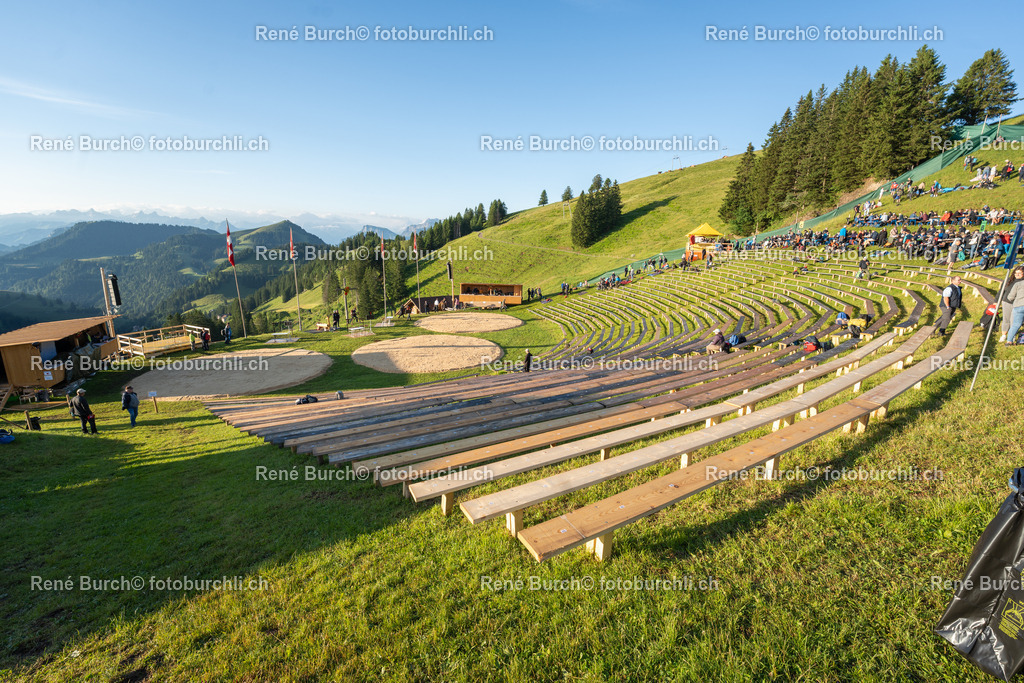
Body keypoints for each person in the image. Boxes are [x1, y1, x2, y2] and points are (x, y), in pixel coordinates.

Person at [1000, 267, 1024, 342]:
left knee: (1013, 321)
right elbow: (1001, 291)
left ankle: (1012, 337)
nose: (1017, 274)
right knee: (1006, 319)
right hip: (1007, 302)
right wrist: (996, 300)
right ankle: (1004, 335)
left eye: (1019, 273)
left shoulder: (1021, 282)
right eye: (1015, 273)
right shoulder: (1010, 280)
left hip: (1017, 304)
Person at [1007, 271, 1024, 345]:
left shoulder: (1018, 284)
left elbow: (1010, 297)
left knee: (1016, 324)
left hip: (1018, 306)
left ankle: (1009, 341)